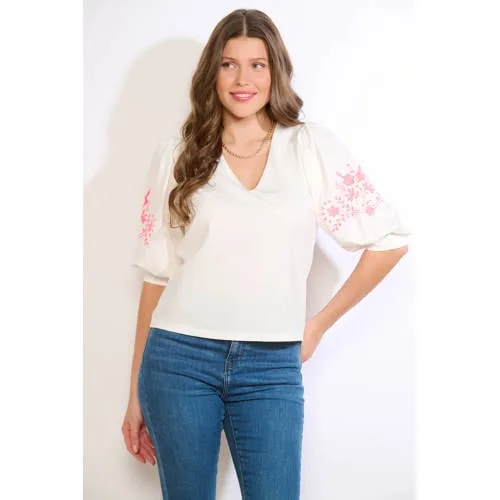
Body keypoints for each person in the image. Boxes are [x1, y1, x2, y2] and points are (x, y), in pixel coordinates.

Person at [121, 8, 409, 500]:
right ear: (212, 73)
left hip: (271, 366)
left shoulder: (309, 147)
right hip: (178, 359)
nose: (243, 80)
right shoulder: (180, 154)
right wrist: (134, 394)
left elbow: (388, 241)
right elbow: (157, 274)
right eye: (229, 64)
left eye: (257, 65)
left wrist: (316, 326)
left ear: (275, 72)